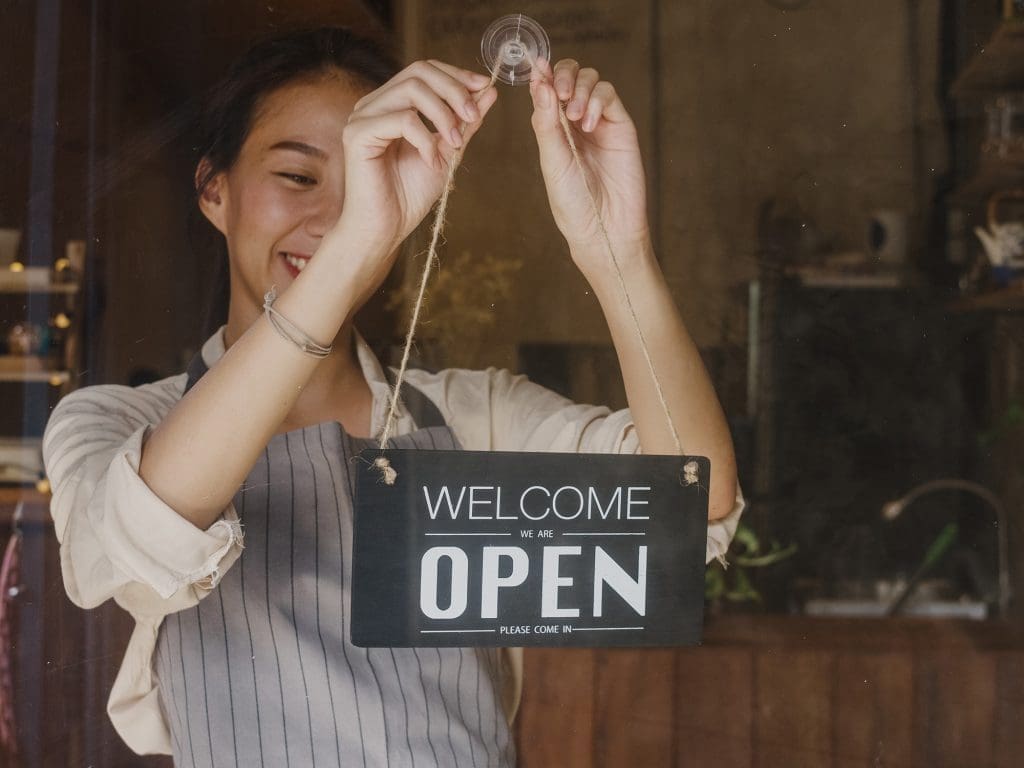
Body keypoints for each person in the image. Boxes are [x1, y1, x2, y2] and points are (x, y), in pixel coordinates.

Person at [42, 26, 743, 768]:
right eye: (299, 177)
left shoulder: (476, 417)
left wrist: (616, 249)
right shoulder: (120, 423)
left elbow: (684, 509)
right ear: (215, 192)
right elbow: (138, 535)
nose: (336, 213)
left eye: (364, 180)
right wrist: (349, 248)